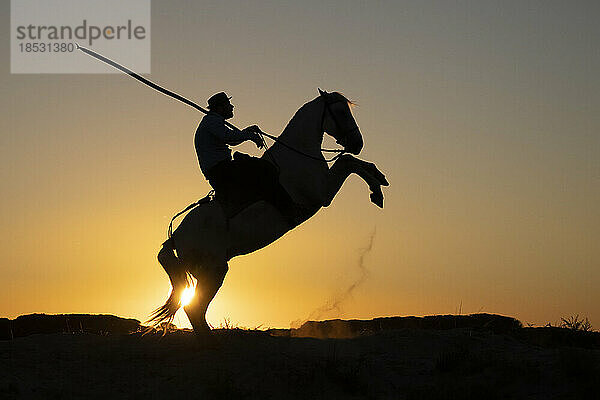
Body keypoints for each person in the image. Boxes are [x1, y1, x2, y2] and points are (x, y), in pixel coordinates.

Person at [195, 92, 300, 226]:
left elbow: (230, 137)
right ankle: (290, 211)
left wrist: (247, 132)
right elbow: (229, 137)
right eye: (228, 104)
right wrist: (249, 135)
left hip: (220, 169)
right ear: (220, 108)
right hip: (221, 170)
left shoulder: (213, 122)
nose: (232, 107)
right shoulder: (212, 121)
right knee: (265, 169)